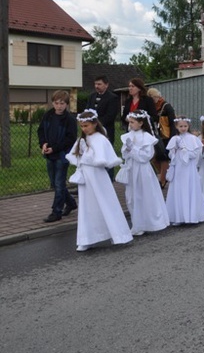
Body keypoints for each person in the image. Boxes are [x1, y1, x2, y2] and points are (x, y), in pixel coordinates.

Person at [65, 110, 133, 252]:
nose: (84, 129)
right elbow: (75, 157)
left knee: (105, 203)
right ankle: (87, 238)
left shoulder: (101, 139)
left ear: (95, 124)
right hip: (86, 177)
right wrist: (81, 157)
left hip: (97, 176)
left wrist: (88, 156)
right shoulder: (81, 140)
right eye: (82, 126)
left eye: (87, 125)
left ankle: (119, 235)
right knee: (87, 207)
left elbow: (102, 160)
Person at [118, 110, 170, 236]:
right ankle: (137, 224)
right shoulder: (128, 136)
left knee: (145, 195)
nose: (130, 125)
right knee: (131, 197)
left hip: (142, 171)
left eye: (132, 122)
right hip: (131, 168)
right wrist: (127, 149)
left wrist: (133, 149)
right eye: (129, 122)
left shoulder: (147, 138)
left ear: (141, 123)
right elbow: (124, 154)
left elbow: (146, 157)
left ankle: (150, 222)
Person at [37, 90, 78, 222]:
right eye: (56, 103)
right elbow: (41, 130)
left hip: (61, 155)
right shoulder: (48, 115)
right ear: (52, 103)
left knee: (59, 183)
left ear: (66, 104)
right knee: (55, 183)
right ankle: (71, 203)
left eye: (62, 103)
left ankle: (56, 211)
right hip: (49, 154)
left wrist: (54, 148)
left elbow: (70, 139)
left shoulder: (70, 119)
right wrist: (43, 144)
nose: (59, 106)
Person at [165, 117, 204, 225]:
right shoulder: (174, 138)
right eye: (181, 126)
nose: (183, 128)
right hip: (178, 169)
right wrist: (175, 150)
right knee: (178, 190)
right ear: (176, 127)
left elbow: (195, 154)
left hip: (188, 169)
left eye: (185, 126)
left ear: (188, 126)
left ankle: (191, 216)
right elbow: (170, 155)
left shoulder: (192, 139)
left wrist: (184, 150)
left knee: (189, 188)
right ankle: (179, 216)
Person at [147, 88, 176, 188]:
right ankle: (166, 175)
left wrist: (173, 136)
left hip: (166, 136)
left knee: (163, 157)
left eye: (153, 97)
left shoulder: (166, 106)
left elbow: (173, 122)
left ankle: (162, 179)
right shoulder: (151, 107)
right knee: (155, 157)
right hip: (156, 134)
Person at [87, 75, 119, 147]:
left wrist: (96, 124)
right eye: (95, 84)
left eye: (99, 84)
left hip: (105, 130)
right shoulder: (92, 96)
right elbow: (88, 111)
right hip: (91, 130)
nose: (96, 86)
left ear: (106, 85)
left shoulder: (112, 98)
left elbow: (110, 115)